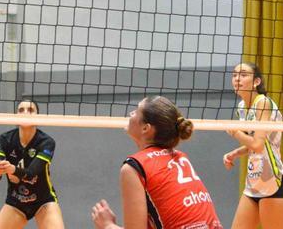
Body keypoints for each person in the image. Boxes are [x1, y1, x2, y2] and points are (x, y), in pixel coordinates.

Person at [91, 96, 223, 229]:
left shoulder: (133, 167)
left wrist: (107, 225)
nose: (131, 113)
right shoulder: (181, 157)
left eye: (136, 111)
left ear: (146, 128)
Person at [223, 62, 283, 229]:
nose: (237, 78)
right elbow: (256, 144)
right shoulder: (242, 107)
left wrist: (236, 132)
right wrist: (236, 153)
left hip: (272, 183)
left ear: (256, 82)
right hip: (253, 183)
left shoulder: (263, 103)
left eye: (243, 75)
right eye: (234, 75)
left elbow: (258, 145)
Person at [0, 100, 64, 229]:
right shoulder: (3, 140)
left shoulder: (46, 142)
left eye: (30, 110)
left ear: (37, 117)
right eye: (21, 110)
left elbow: (31, 174)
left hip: (44, 201)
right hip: (16, 202)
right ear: (16, 116)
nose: (25, 113)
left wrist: (12, 169)